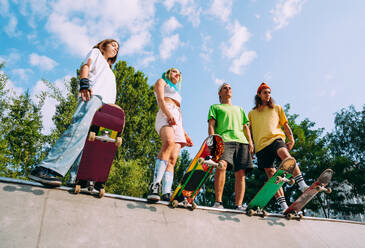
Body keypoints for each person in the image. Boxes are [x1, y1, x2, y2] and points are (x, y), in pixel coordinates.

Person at [29, 39, 120, 186]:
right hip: (93, 97)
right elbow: (86, 66)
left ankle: (78, 177)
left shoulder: (111, 72)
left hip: (106, 107)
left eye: (118, 48)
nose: (116, 48)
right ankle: (47, 168)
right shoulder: (96, 52)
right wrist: (84, 82)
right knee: (79, 130)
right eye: (113, 45)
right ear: (104, 46)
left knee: (92, 141)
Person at [248, 82, 309, 212]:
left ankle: (302, 185)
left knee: (286, 156)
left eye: (269, 92)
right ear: (259, 94)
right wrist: (250, 147)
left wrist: (291, 138)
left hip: (276, 138)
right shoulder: (252, 113)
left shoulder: (277, 108)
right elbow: (250, 132)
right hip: (260, 146)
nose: (268, 95)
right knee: (271, 174)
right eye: (265, 92)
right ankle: (283, 206)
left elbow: (285, 125)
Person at [147, 68, 193, 202]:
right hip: (166, 112)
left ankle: (167, 192)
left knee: (173, 158)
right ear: (167, 73)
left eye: (179, 73)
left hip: (177, 117)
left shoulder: (177, 91)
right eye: (174, 71)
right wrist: (168, 114)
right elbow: (161, 99)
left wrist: (184, 133)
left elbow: (178, 112)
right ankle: (155, 185)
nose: (177, 74)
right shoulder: (161, 81)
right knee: (168, 143)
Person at [207, 82, 254, 210]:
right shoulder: (215, 107)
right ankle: (218, 202)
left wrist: (250, 142)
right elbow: (211, 125)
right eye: (224, 88)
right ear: (220, 93)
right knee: (221, 166)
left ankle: (238, 205)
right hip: (224, 140)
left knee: (241, 173)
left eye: (229, 88)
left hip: (242, 142)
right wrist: (212, 140)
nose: (228, 89)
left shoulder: (239, 109)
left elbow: (245, 127)